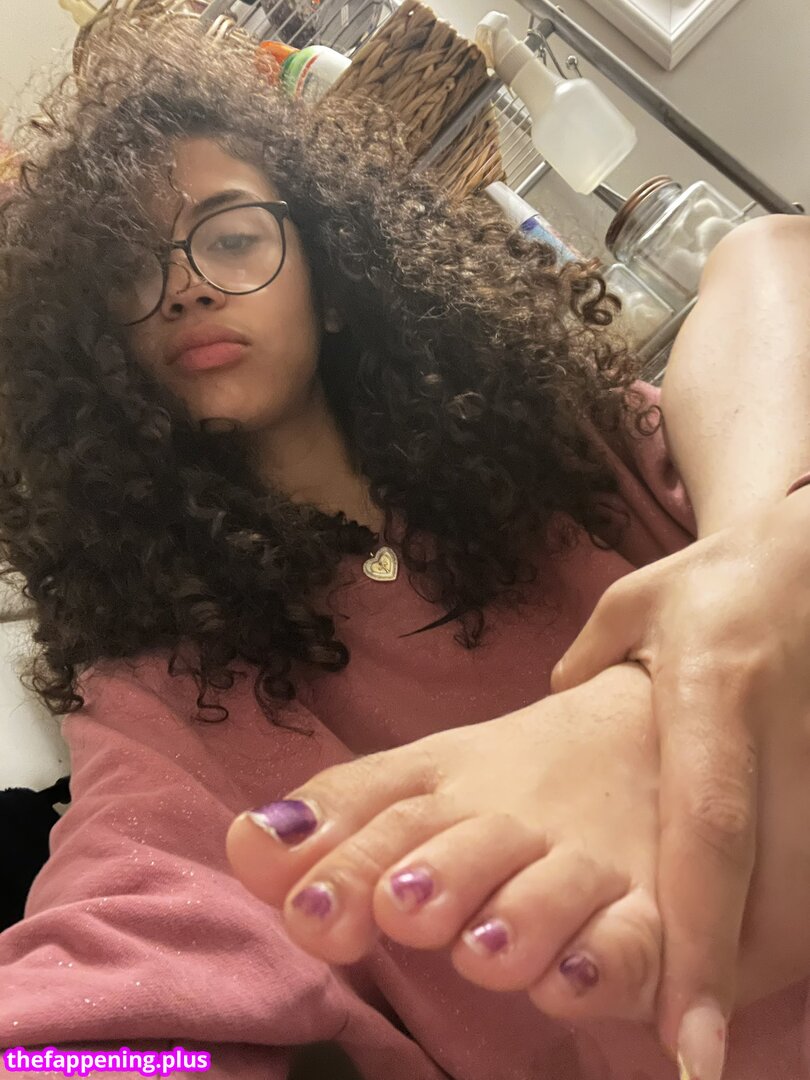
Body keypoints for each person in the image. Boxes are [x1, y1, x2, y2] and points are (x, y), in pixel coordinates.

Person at [0, 20, 809, 1080]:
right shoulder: (158, 694)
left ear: (332, 283)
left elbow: (773, 261)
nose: (188, 285)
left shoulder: (572, 450)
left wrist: (752, 567)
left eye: (231, 237)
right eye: (129, 270)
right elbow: (119, 987)